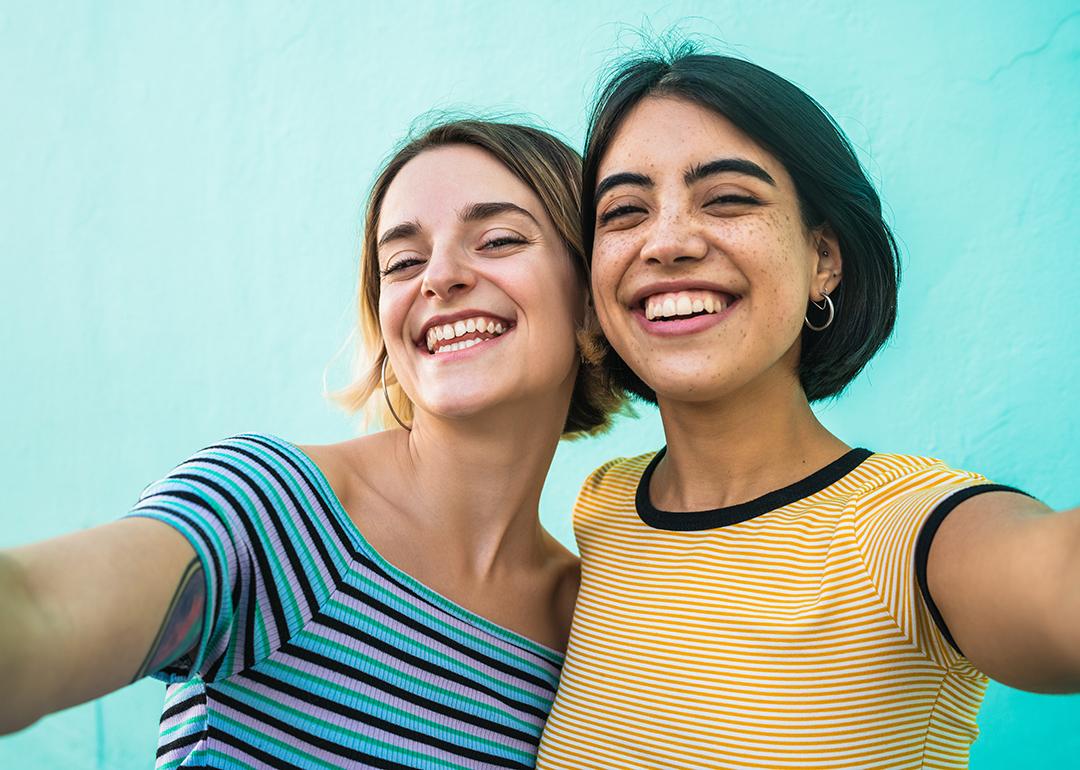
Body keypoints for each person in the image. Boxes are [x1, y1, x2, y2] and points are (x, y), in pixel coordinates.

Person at [0, 119, 622, 769]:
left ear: (588, 304)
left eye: (496, 240)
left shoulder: (589, 628)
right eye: (403, 262)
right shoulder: (271, 509)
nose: (438, 277)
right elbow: (39, 611)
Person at [536, 47, 1080, 769]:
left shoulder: (913, 529)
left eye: (728, 198)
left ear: (824, 257)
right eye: (625, 211)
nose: (665, 242)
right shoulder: (603, 510)